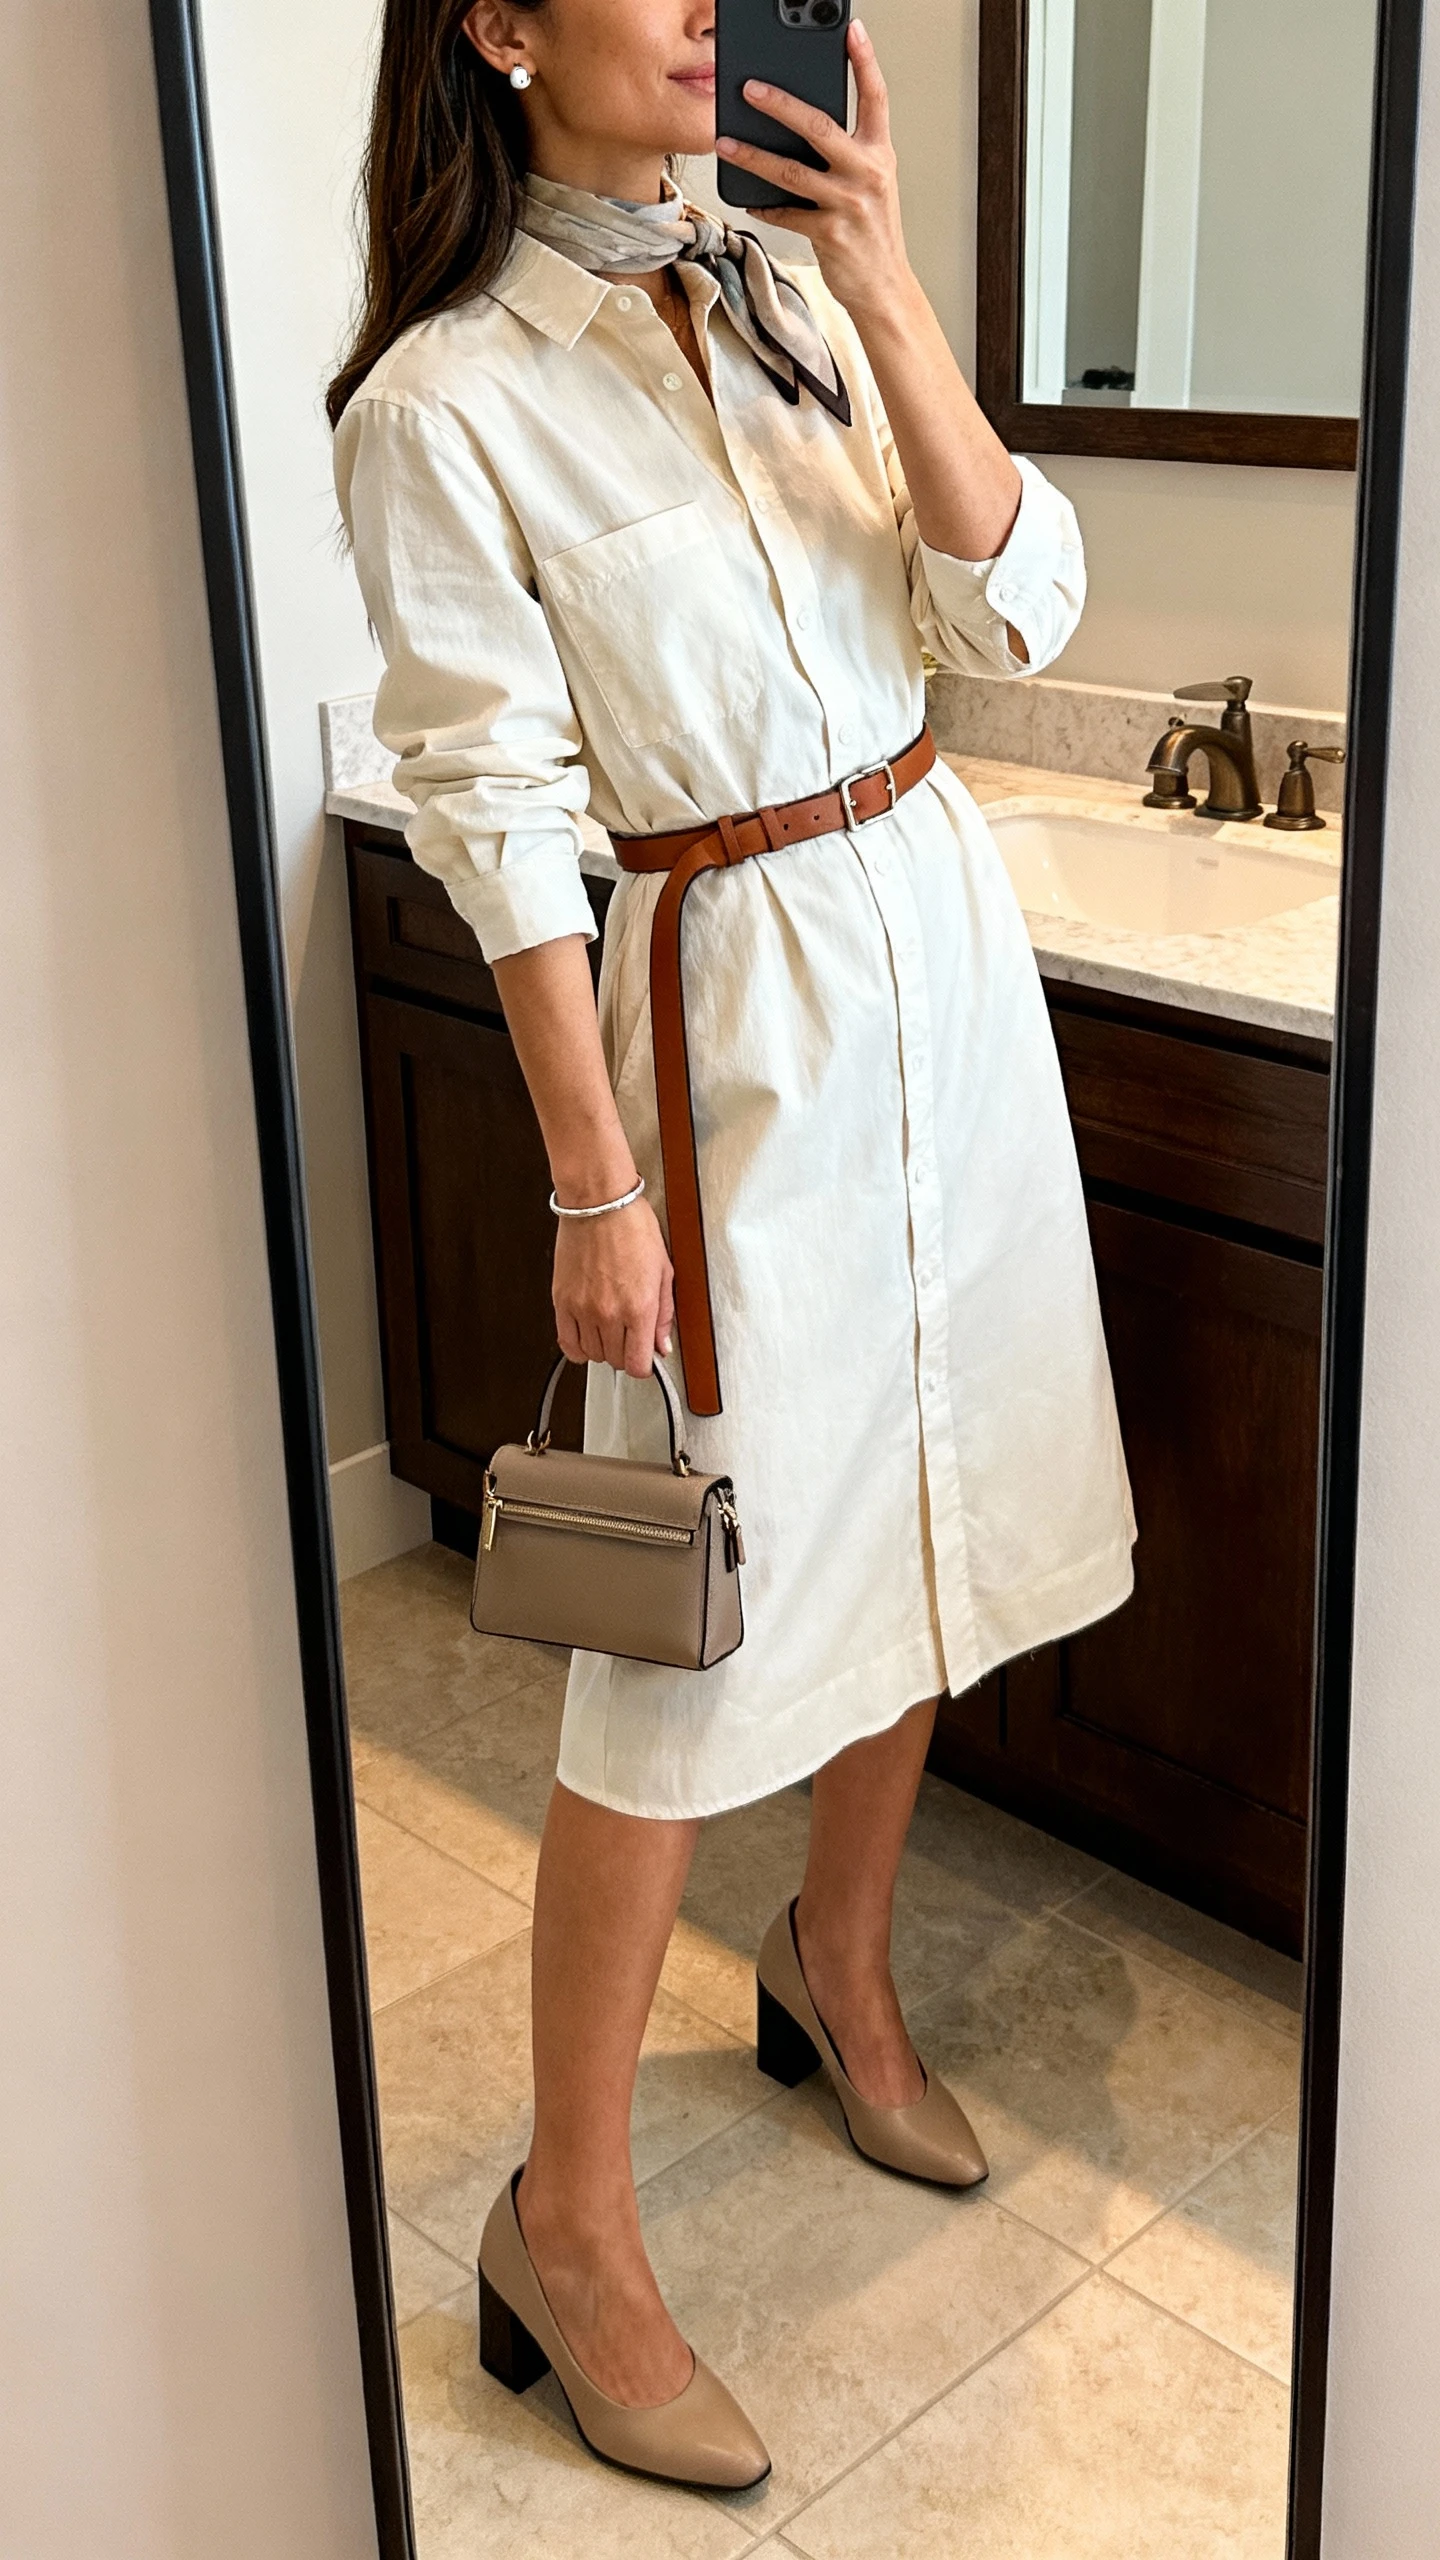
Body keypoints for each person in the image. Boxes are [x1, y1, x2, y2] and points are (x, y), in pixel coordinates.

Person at [331, 0, 1135, 2491]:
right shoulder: (444, 406)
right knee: (667, 1636)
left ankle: (841, 1968)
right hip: (724, 1031)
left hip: (942, 969)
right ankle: (567, 2227)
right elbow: (491, 808)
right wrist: (593, 1180)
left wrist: (892, 284)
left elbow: (1019, 621)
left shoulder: (795, 296)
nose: (706, 4)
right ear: (491, 25)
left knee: (927, 1531)